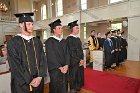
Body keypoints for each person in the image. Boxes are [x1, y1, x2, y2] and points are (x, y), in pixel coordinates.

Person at [7, 12, 47, 93]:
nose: (31, 27)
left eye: (32, 24)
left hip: (38, 83)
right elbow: (15, 65)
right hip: (22, 84)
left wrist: (40, 77)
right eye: (29, 24)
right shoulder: (13, 43)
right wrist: (30, 80)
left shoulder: (37, 41)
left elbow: (43, 59)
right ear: (21, 25)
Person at [44, 19, 70, 93]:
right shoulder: (49, 42)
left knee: (64, 85)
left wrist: (67, 65)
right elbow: (51, 56)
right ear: (54, 30)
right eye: (59, 28)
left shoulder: (64, 41)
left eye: (62, 28)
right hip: (55, 70)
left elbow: (67, 53)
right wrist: (60, 67)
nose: (61, 30)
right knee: (55, 87)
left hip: (64, 69)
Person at [66, 20, 84, 93]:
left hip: (80, 61)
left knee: (79, 75)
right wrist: (78, 60)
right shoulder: (69, 39)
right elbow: (71, 52)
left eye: (78, 28)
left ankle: (78, 86)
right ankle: (72, 88)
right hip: (73, 62)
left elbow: (81, 50)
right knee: (73, 75)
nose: (78, 29)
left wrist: (82, 59)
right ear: (72, 29)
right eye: (77, 28)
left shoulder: (78, 39)